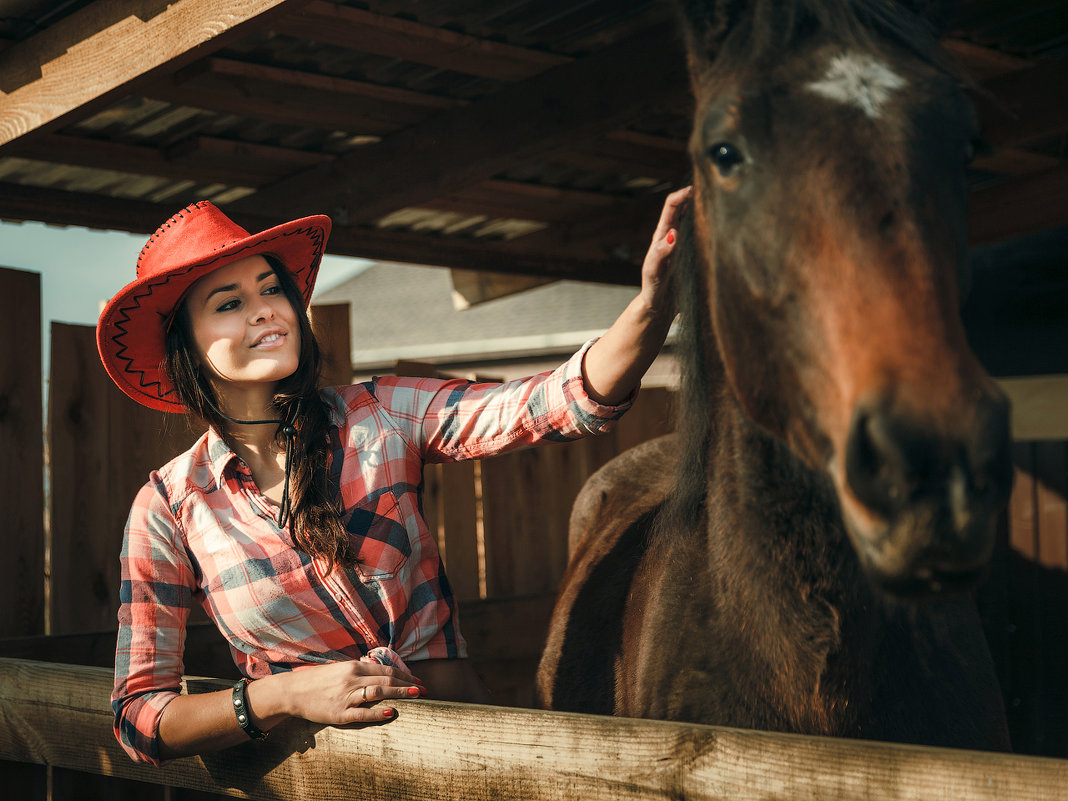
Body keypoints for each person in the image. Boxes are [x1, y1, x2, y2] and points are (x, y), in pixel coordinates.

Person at [97, 186, 692, 766]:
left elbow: (549, 403)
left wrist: (650, 308)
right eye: (228, 302)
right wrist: (285, 695)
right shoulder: (170, 507)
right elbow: (141, 716)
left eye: (271, 287)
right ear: (186, 346)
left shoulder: (379, 413)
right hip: (320, 779)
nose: (265, 309)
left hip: (471, 758)